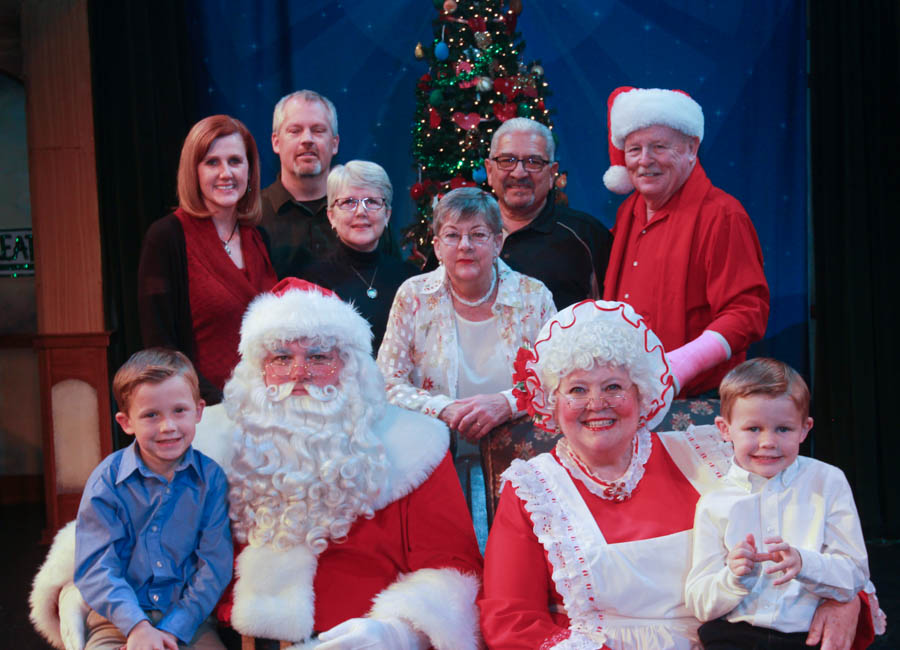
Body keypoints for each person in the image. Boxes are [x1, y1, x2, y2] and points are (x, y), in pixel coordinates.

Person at [31, 279, 483, 650]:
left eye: (319, 356)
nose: (299, 373)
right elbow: (129, 521)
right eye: (281, 358)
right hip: (210, 634)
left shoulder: (413, 446)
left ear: (349, 366)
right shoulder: (207, 438)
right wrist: (75, 582)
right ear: (257, 369)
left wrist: (396, 633)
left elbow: (453, 570)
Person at [478, 299, 875, 649]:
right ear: (552, 400)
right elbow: (511, 621)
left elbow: (809, 532)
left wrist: (844, 601)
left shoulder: (712, 453)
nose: (596, 404)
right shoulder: (533, 489)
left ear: (641, 394)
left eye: (614, 386)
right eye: (577, 390)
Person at [685, 358, 873, 649]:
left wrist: (804, 563)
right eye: (753, 429)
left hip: (805, 636)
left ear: (804, 428)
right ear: (725, 429)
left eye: (783, 429)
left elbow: (855, 576)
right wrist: (734, 578)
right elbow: (700, 602)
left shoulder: (828, 482)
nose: (768, 442)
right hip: (733, 635)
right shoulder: (714, 502)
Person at [601, 86, 769, 398]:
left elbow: (747, 312)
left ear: (691, 148)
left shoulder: (722, 215)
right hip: (629, 397)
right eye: (634, 149)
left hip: (697, 400)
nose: (644, 160)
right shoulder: (629, 211)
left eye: (659, 147)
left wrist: (682, 364)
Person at [58, 349, 231, 650]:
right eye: (151, 415)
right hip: (115, 620)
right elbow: (97, 566)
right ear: (126, 422)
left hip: (189, 619)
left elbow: (214, 566)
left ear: (199, 411)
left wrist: (175, 627)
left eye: (179, 410)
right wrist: (137, 627)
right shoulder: (107, 482)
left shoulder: (211, 480)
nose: (168, 426)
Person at [377, 187, 555, 443]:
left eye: (478, 234)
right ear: (437, 247)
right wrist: (444, 409)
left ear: (497, 242)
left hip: (522, 453)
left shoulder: (534, 296)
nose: (465, 246)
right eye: (452, 235)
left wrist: (507, 403)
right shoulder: (413, 295)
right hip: (433, 452)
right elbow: (386, 385)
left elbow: (559, 378)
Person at [138, 115, 277, 405]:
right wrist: (217, 403)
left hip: (268, 408)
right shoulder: (166, 237)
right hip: (203, 410)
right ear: (194, 171)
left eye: (235, 161)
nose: (226, 173)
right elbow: (160, 346)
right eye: (212, 162)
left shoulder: (259, 237)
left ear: (250, 170)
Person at [485, 117, 613, 310]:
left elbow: (614, 320)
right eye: (507, 160)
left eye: (533, 162)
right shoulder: (461, 234)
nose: (519, 173)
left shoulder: (587, 236)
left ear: (552, 172)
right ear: (489, 170)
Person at [302, 161, 418, 350]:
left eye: (372, 202)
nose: (361, 212)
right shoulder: (313, 284)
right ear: (331, 216)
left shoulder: (410, 279)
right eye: (349, 202)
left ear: (387, 215)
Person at [260, 90, 341, 278]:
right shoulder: (252, 216)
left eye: (318, 130)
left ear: (335, 143)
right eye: (295, 131)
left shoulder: (361, 214)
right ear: (276, 142)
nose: (307, 140)